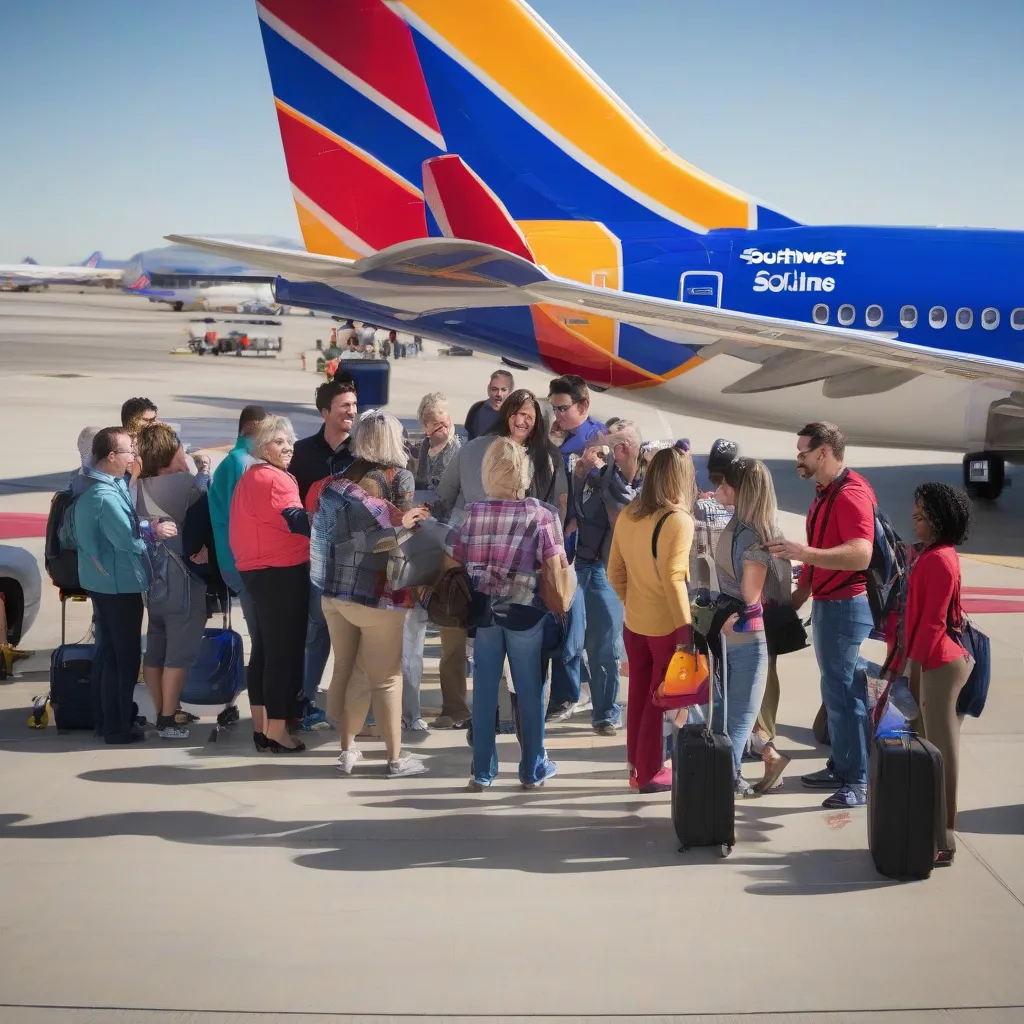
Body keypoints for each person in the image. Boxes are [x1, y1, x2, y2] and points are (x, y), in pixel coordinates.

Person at [435, 389, 568, 729]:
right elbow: (445, 497)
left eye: (530, 415)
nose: (522, 420)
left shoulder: (547, 457)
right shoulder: (473, 449)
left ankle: (518, 729)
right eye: (517, 412)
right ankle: (473, 719)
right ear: (506, 413)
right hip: (472, 567)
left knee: (518, 662)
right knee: (472, 650)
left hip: (524, 577)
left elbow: (558, 512)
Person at [448, 438, 570, 790]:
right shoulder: (540, 513)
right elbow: (555, 564)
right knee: (529, 692)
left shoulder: (473, 512)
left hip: (485, 613)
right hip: (525, 613)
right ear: (524, 472)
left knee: (485, 693)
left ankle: (483, 772)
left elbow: (457, 556)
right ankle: (532, 769)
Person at [767, 421, 876, 810]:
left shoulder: (850, 495)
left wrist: (803, 555)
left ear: (824, 453)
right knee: (836, 692)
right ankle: (843, 766)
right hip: (830, 606)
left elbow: (861, 554)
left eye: (803, 452)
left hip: (846, 607)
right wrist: (800, 593)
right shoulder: (824, 494)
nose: (799, 458)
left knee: (845, 695)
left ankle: (858, 779)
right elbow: (822, 546)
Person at [313, 411, 428, 778]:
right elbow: (387, 540)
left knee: (352, 670)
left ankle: (347, 751)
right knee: (386, 677)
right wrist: (410, 525)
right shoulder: (399, 477)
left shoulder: (338, 482)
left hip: (335, 592)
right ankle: (395, 759)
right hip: (380, 595)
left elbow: (333, 538)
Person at [74, 427, 177, 744]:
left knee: (110, 655)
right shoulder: (104, 497)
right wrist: (154, 531)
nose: (134, 456)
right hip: (118, 586)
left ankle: (108, 720)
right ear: (111, 456)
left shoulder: (101, 484)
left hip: (106, 583)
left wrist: (132, 478)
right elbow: (127, 538)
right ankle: (117, 727)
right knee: (124, 658)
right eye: (128, 451)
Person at [608, 446, 696, 793]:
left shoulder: (630, 513)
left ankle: (635, 767)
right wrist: (685, 633)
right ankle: (648, 773)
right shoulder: (678, 520)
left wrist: (633, 601)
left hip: (635, 623)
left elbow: (614, 571)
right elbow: (675, 578)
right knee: (657, 700)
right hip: (666, 625)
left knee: (638, 698)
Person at [895, 483, 975, 864]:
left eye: (922, 513)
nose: (914, 516)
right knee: (929, 744)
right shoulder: (931, 554)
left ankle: (944, 835)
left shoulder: (940, 559)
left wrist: (914, 668)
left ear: (938, 519)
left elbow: (933, 623)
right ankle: (931, 825)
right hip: (928, 660)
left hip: (939, 664)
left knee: (942, 749)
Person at [230, 416, 311, 754]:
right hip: (280, 570)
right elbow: (295, 519)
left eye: (289, 439)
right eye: (279, 441)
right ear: (263, 447)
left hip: (258, 570)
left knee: (265, 650)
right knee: (283, 653)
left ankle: (263, 727)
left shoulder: (251, 476)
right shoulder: (274, 479)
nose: (288, 446)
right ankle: (277, 730)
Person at [710, 458, 791, 796]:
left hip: (724, 628)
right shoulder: (758, 535)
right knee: (741, 718)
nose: (718, 489)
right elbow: (749, 592)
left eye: (725, 484)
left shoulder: (735, 527)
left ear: (740, 491)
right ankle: (728, 782)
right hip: (749, 633)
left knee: (725, 711)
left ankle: (721, 776)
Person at [290, 380, 359, 727]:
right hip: (315, 559)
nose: (352, 411)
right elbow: (288, 505)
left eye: (354, 404)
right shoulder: (301, 453)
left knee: (351, 636)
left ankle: (348, 705)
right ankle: (304, 700)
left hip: (352, 561)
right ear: (325, 412)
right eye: (344, 405)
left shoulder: (362, 451)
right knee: (315, 632)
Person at [135, 423, 209, 740]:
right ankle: (168, 718)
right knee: (178, 653)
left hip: (152, 581)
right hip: (183, 580)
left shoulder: (138, 485)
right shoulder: (181, 484)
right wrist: (200, 469)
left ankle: (163, 709)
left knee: (156, 648)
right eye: (179, 447)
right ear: (169, 453)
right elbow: (207, 499)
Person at [570, 421, 644, 735]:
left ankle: (605, 713)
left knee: (604, 647)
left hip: (603, 571)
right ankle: (577, 697)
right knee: (573, 644)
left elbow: (624, 511)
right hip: (576, 567)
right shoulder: (585, 476)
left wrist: (606, 453)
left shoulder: (620, 478)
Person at [545, 375, 606, 722]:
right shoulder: (573, 438)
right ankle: (582, 694)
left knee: (574, 630)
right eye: (554, 408)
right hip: (574, 548)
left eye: (563, 408)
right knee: (578, 630)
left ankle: (573, 695)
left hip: (579, 551)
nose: (557, 414)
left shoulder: (590, 445)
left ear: (583, 405)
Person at [402, 393, 461, 731]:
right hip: (427, 540)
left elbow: (450, 496)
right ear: (424, 426)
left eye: (446, 418)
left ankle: (454, 707)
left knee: (452, 625)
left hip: (450, 545)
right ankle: (416, 704)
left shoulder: (457, 450)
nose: (443, 425)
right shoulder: (424, 449)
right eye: (435, 421)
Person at [207, 405, 267, 635]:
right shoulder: (241, 462)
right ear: (251, 428)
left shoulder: (242, 459)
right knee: (262, 635)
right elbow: (245, 517)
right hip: (244, 562)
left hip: (240, 560)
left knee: (263, 633)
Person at [463, 370, 514, 441]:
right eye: (494, 389)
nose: (499, 394)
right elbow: (466, 438)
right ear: (489, 389)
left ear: (510, 391)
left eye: (503, 390)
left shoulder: (514, 414)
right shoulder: (477, 408)